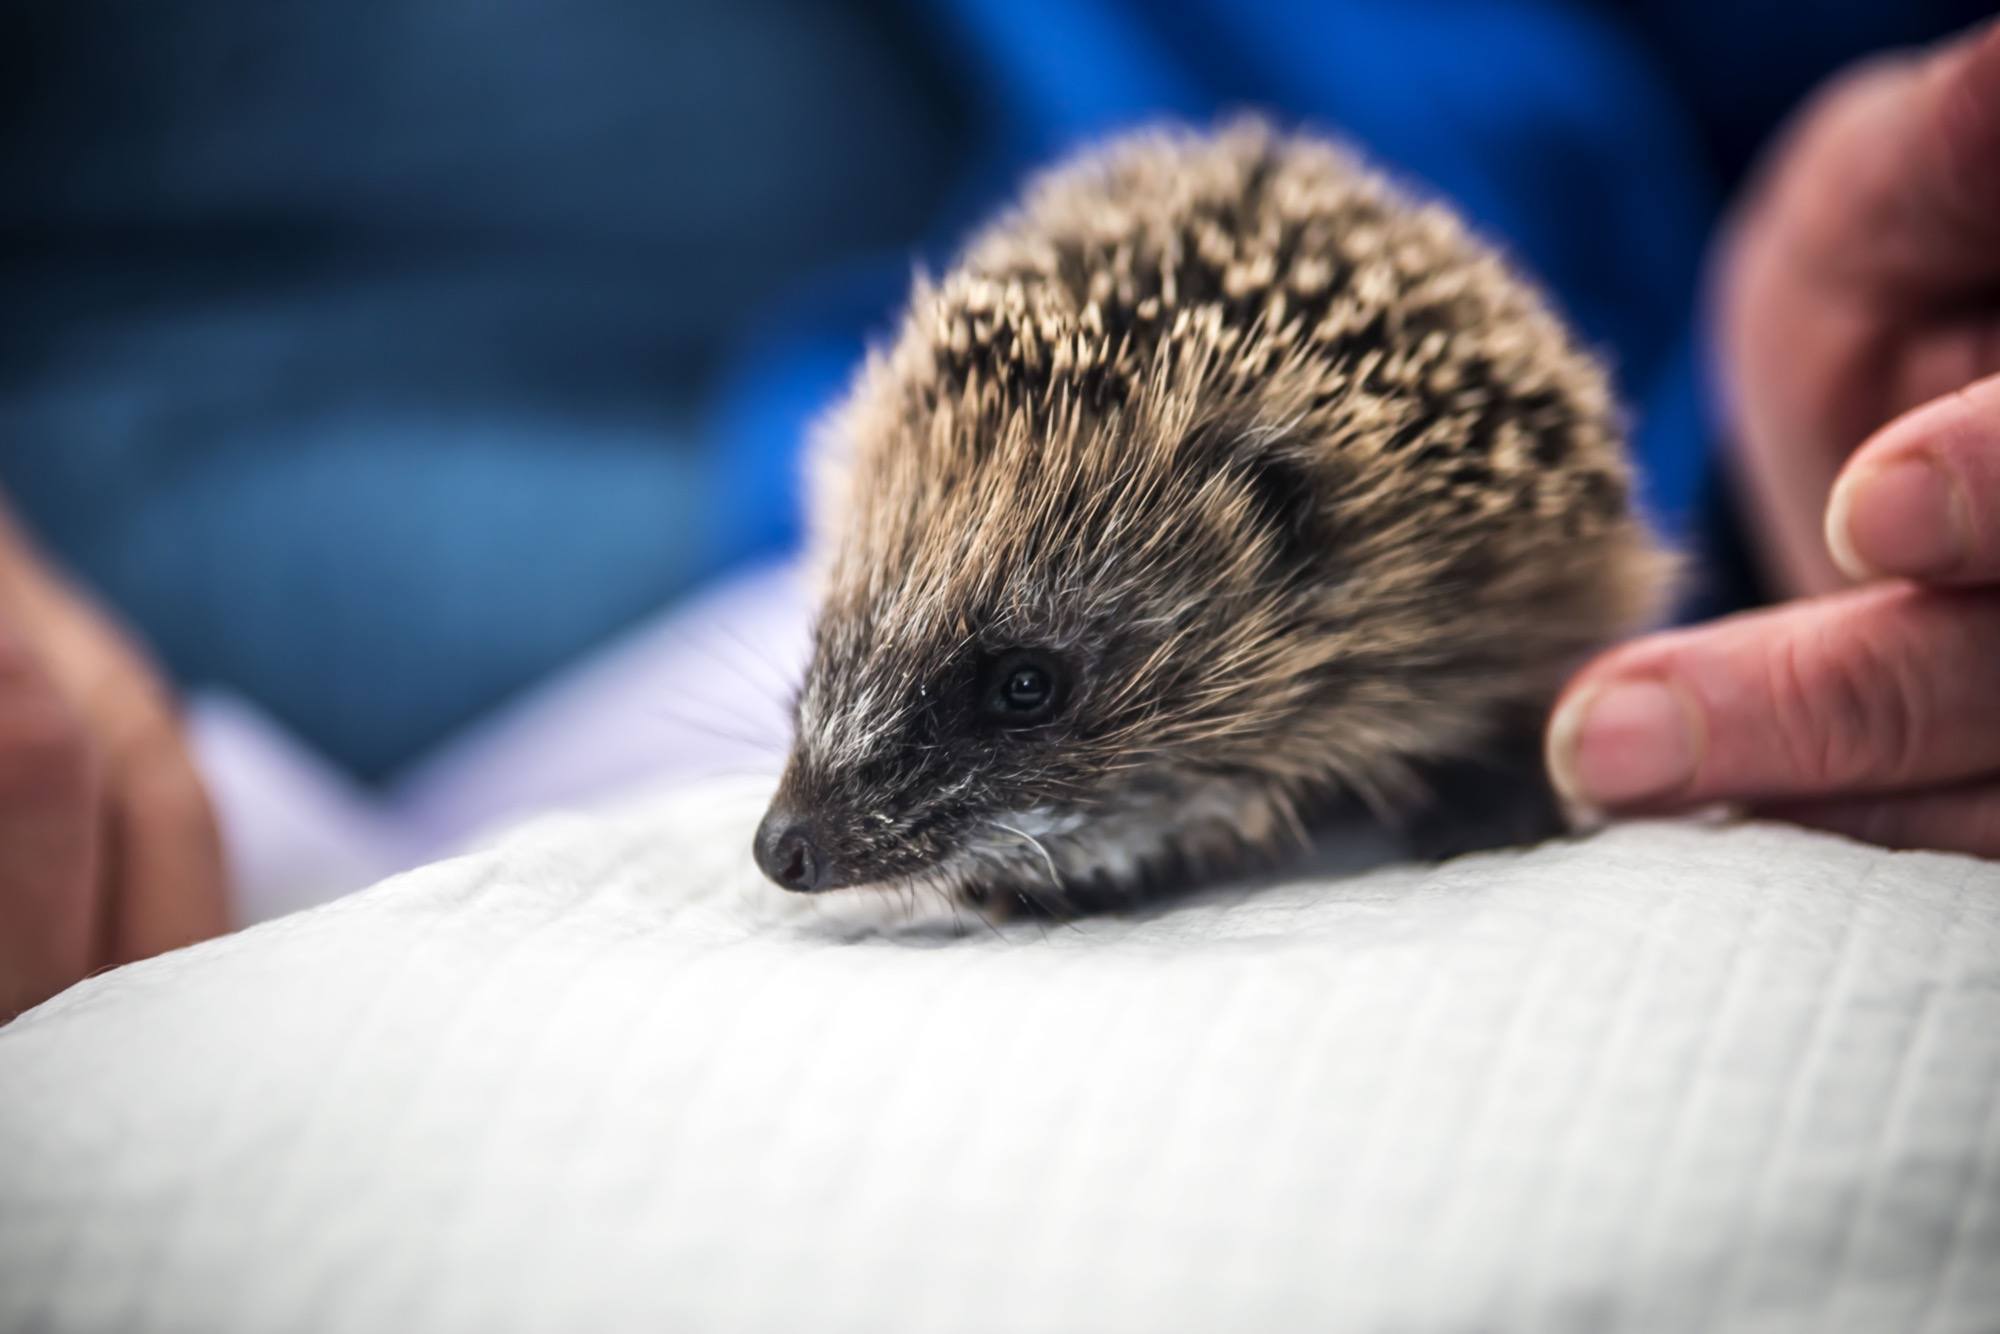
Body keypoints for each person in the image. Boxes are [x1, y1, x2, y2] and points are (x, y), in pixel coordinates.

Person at [2, 13, 1995, 1019]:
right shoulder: (908, 463)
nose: (800, 836)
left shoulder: (1448, 573)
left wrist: (1812, 422)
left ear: (1303, 549)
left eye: (1019, 688)